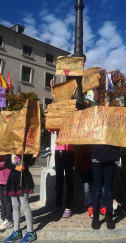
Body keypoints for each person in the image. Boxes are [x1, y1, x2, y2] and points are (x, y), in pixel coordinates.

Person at [48, 78, 78, 219]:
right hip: (59, 150)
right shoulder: (58, 110)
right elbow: (50, 129)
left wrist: (74, 90)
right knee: (59, 179)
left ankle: (68, 206)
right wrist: (49, 117)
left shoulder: (73, 111)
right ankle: (58, 205)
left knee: (69, 179)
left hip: (70, 150)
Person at [4, 153, 38, 243]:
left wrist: (34, 156)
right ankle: (17, 230)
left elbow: (30, 163)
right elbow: (7, 163)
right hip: (13, 179)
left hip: (24, 179)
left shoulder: (25, 150)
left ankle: (30, 232)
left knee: (25, 204)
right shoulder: (10, 149)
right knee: (15, 205)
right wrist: (15, 168)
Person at [91, 144, 121, 230]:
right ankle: (95, 217)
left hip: (110, 156)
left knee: (108, 189)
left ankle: (109, 216)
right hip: (97, 155)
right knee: (97, 189)